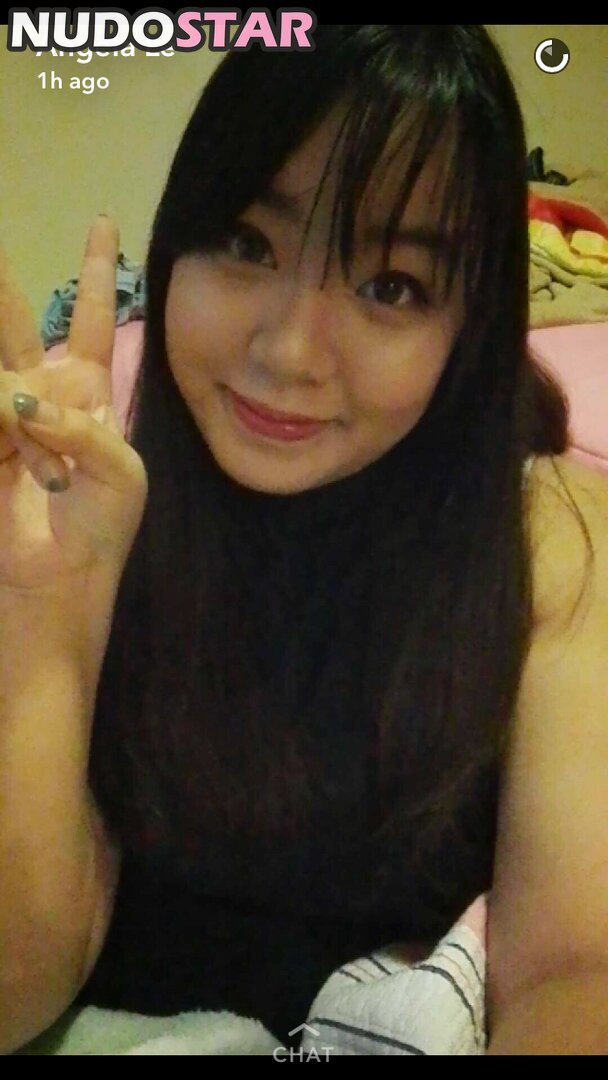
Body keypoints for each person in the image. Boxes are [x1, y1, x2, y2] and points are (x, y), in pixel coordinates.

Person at [1, 25, 607, 1056]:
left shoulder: (550, 542)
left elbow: (576, 972)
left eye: (390, 286)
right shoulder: (78, 512)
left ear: (468, 327)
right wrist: (48, 610)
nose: (289, 353)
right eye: (247, 243)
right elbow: (17, 982)